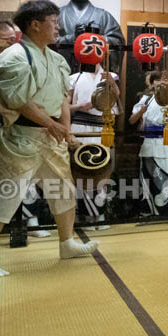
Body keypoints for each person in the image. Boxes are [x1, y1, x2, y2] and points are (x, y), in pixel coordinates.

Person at [0, 0, 100, 277]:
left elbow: (64, 97)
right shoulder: (13, 56)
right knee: (9, 194)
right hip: (22, 135)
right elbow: (17, 101)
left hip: (51, 135)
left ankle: (67, 243)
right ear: (35, 24)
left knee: (63, 191)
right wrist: (51, 124)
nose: (58, 27)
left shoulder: (56, 59)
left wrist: (64, 127)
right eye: (53, 21)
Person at [0, 21, 52, 239]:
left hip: (19, 124)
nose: (11, 42)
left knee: (26, 174)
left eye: (13, 38)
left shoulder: (24, 59)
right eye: (5, 39)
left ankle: (30, 219)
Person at [68, 60, 121, 230]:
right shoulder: (74, 78)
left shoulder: (110, 76)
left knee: (102, 168)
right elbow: (65, 106)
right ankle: (85, 216)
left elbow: (116, 97)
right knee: (81, 169)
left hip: (102, 126)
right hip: (80, 125)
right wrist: (80, 106)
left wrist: (111, 83)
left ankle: (100, 215)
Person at [130, 71, 168, 222]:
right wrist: (141, 111)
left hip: (166, 142)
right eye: (159, 80)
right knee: (149, 177)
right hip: (148, 142)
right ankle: (149, 212)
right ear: (152, 83)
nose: (162, 82)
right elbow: (132, 120)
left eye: (165, 80)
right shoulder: (146, 99)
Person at [56, 0, 124, 72]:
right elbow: (47, 43)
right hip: (63, 70)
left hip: (94, 72)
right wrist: (72, 37)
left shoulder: (103, 15)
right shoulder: (57, 15)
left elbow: (118, 42)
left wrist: (95, 39)